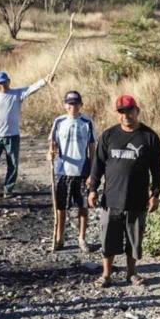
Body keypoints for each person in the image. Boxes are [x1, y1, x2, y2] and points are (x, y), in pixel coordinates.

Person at [88, 95, 160, 287]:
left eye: (129, 111)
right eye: (121, 112)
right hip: (111, 198)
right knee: (108, 239)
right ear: (118, 114)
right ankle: (106, 275)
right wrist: (93, 189)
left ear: (137, 110)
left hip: (137, 199)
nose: (126, 115)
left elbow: (157, 169)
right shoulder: (108, 135)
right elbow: (98, 165)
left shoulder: (150, 137)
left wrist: (155, 194)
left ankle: (132, 273)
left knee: (134, 239)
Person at [0, 70, 53, 197]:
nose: (2, 85)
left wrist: (45, 81)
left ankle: (8, 189)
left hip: (12, 136)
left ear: (9, 82)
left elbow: (31, 88)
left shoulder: (17, 94)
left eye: (4, 82)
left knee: (12, 164)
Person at [47, 91, 97, 252]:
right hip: (63, 171)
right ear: (64, 105)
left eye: (75, 103)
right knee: (61, 207)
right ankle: (59, 237)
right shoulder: (59, 121)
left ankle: (82, 238)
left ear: (81, 104)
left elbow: (92, 148)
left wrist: (92, 172)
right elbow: (52, 143)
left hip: (82, 171)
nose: (72, 106)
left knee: (83, 207)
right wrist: (50, 153)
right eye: (69, 103)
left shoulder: (87, 122)